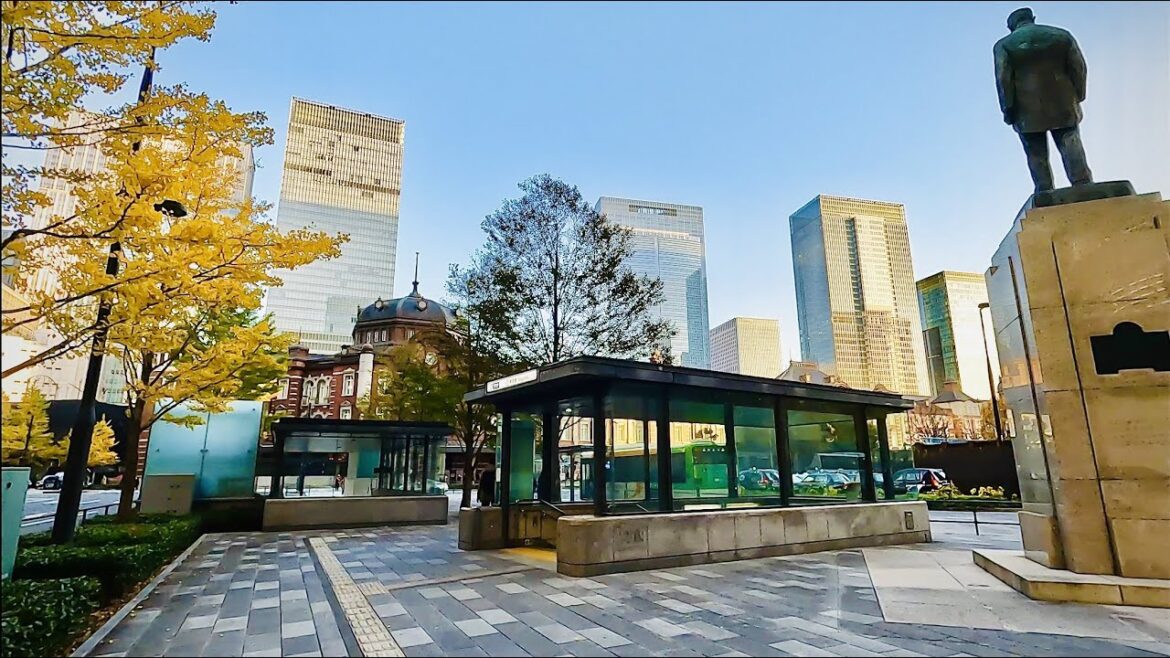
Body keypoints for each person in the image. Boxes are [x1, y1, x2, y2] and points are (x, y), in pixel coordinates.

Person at [994, 7, 1093, 193]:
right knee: (1070, 140)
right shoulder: (1061, 35)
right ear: (1032, 18)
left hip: (1026, 109)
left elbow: (1003, 78)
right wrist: (1078, 94)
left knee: (1035, 151)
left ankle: (1044, 190)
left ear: (1011, 27)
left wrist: (1007, 108)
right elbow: (1078, 67)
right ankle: (1082, 184)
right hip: (1063, 101)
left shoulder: (1004, 45)